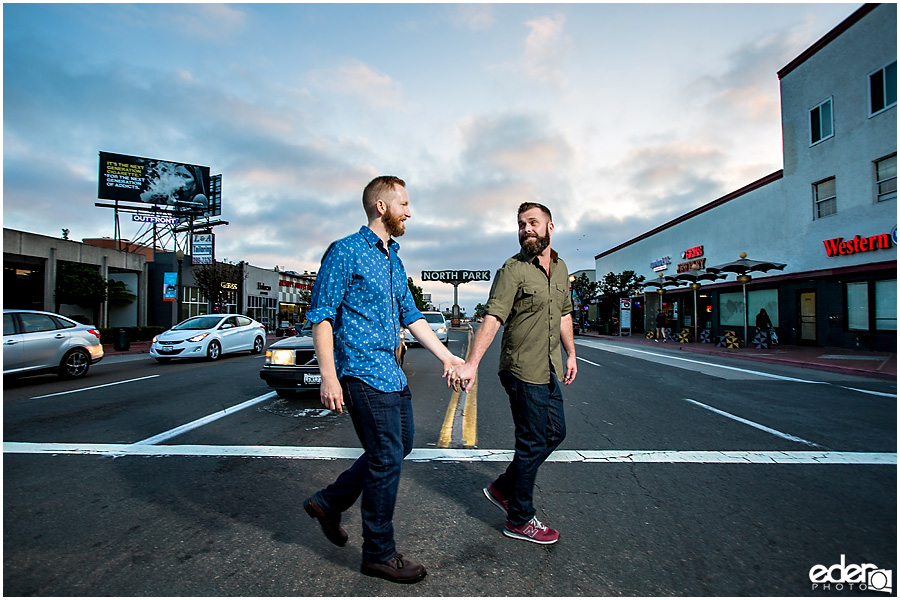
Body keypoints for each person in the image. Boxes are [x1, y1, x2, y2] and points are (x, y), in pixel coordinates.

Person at [303, 176, 463, 584]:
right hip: (360, 371)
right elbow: (322, 314)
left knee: (397, 448)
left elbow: (411, 316)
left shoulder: (394, 258)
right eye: (404, 203)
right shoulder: (345, 252)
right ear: (381, 207)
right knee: (387, 456)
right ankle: (378, 553)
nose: (409, 211)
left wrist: (447, 357)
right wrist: (329, 377)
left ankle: (328, 502)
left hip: (391, 372)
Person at [452, 202, 576, 545]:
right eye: (521, 224)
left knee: (556, 432)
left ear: (550, 227)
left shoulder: (562, 268)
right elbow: (493, 318)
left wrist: (571, 355)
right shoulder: (512, 270)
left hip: (548, 365)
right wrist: (472, 363)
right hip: (521, 368)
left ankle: (503, 487)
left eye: (533, 223)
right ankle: (520, 518)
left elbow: (564, 314)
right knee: (532, 440)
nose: (526, 230)